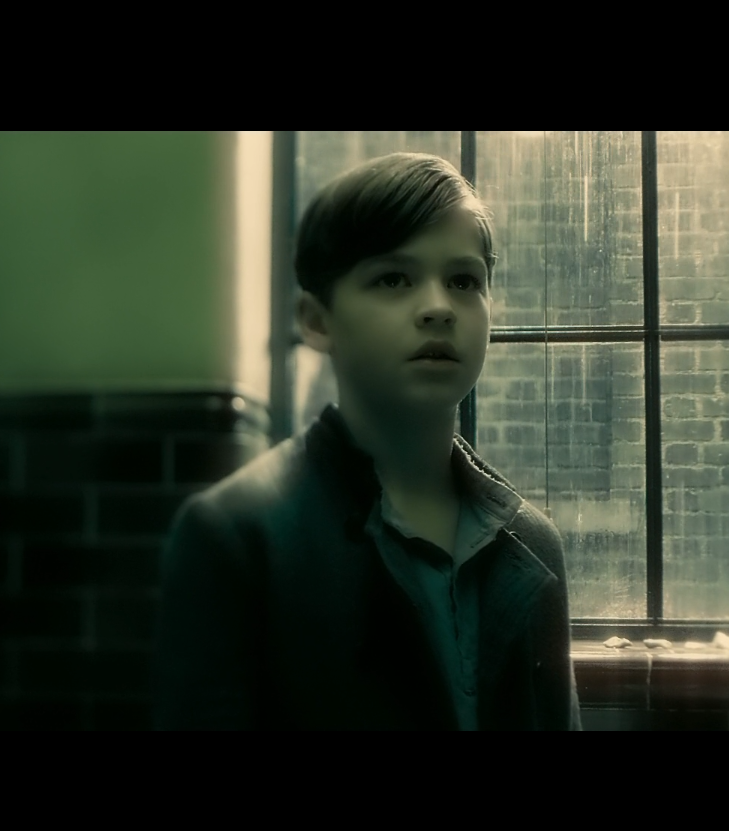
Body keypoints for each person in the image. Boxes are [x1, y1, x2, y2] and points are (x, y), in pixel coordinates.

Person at [153, 152, 582, 730]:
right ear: (316, 320)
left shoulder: (532, 544)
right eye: (393, 279)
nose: (438, 308)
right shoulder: (237, 536)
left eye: (463, 281)